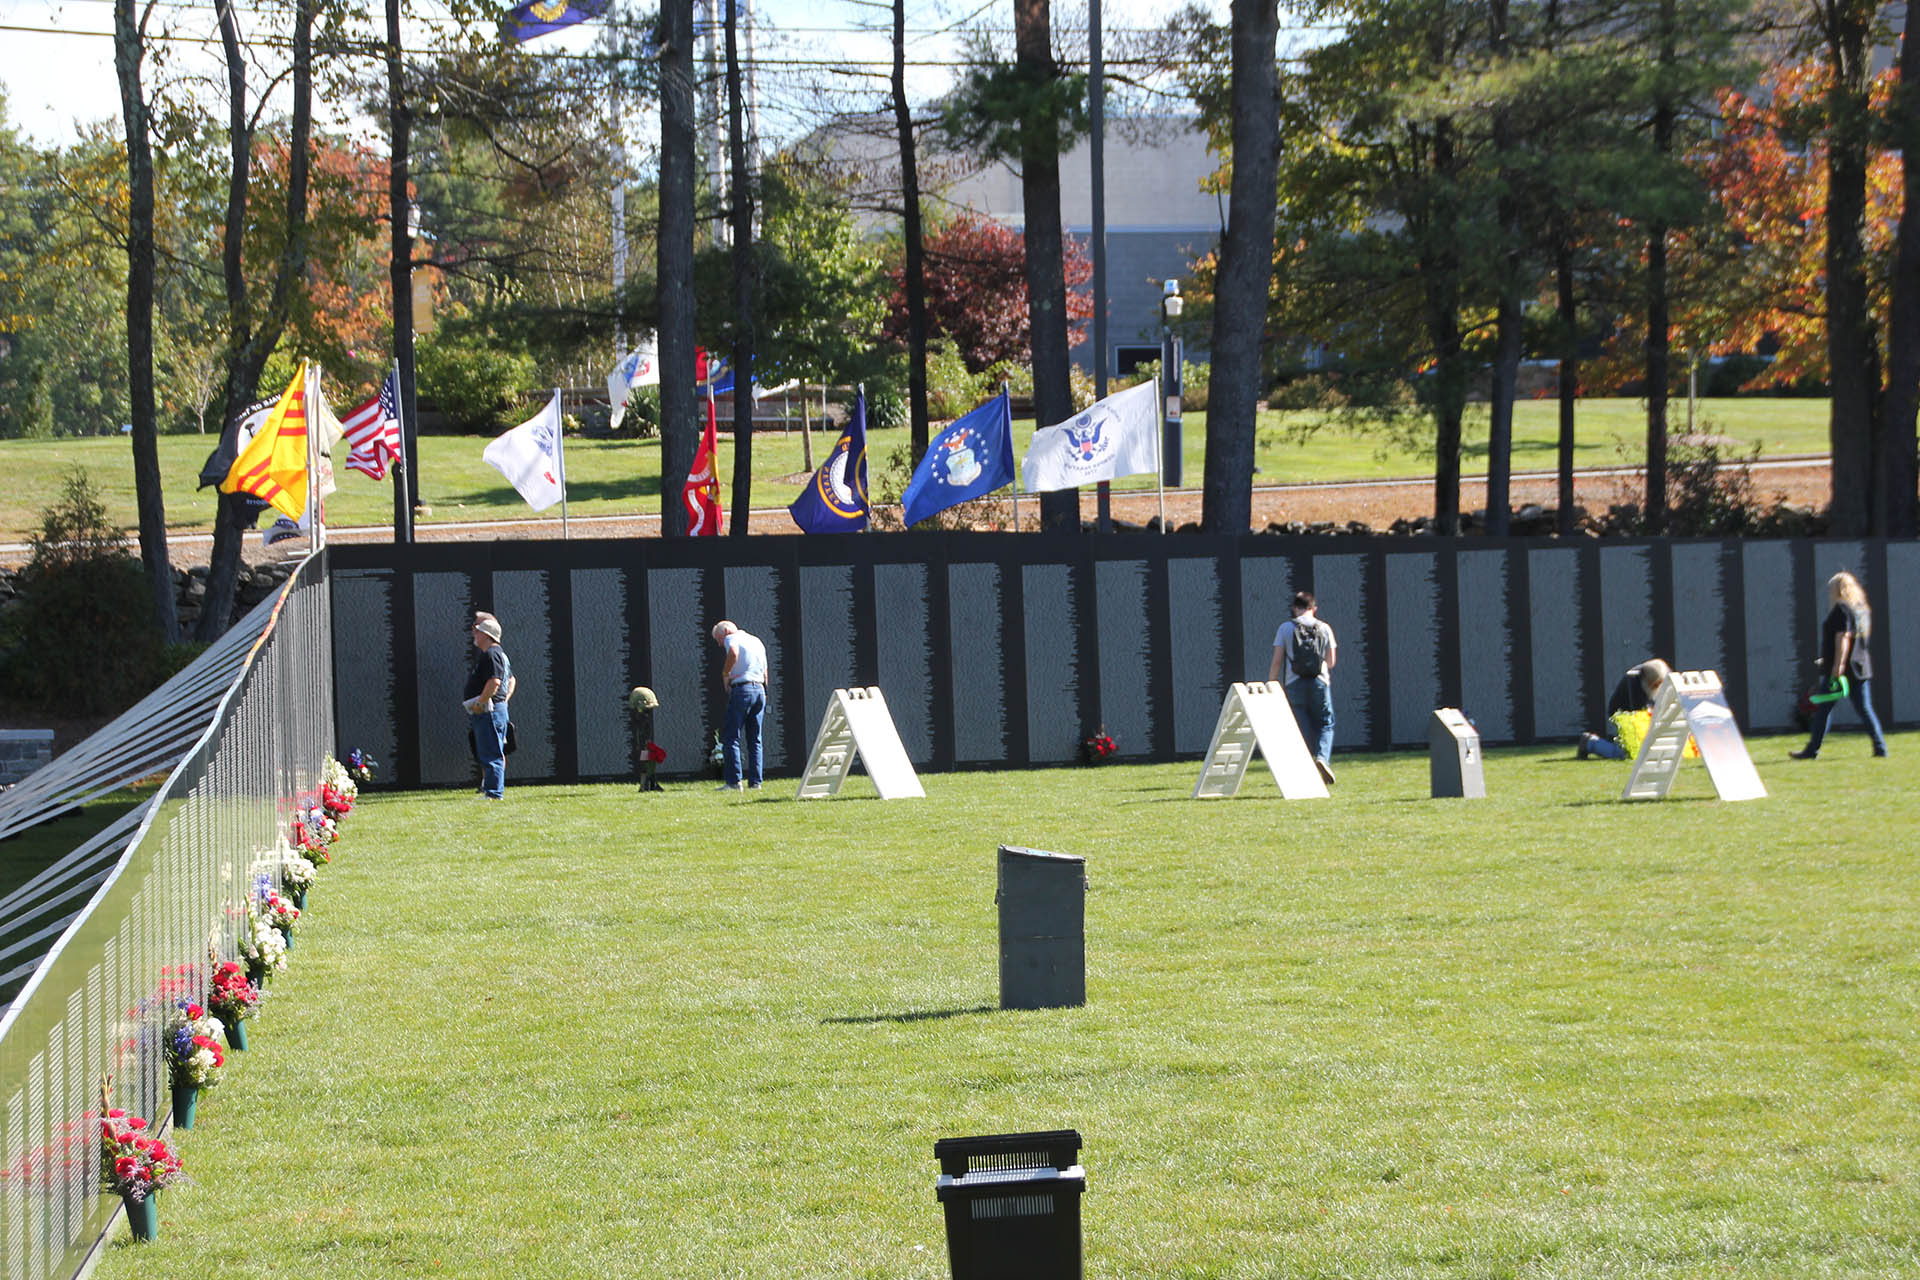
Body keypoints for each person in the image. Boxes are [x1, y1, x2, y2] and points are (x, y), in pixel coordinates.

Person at [1792, 570, 1889, 760]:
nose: (1829, 593)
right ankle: (1880, 748)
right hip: (1860, 667)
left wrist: (1837, 665)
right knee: (1864, 709)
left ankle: (1812, 751)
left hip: (1841, 670)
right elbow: (1858, 641)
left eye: (1831, 589)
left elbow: (1842, 638)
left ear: (1839, 590)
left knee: (1823, 710)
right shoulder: (1862, 610)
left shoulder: (1841, 610)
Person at [1267, 590, 1338, 784]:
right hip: (1320, 682)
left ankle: (1304, 767)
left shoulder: (1285, 628)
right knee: (1325, 723)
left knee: (1301, 725)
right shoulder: (1325, 628)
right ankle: (1322, 758)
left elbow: (1277, 661)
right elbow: (1331, 661)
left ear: (1295, 608)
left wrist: (1271, 684)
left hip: (1294, 682)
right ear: (1314, 608)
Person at [463, 611, 515, 799]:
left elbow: (494, 682)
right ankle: (491, 790)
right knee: (489, 750)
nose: (474, 634)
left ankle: (493, 793)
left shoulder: (492, 654)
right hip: (493, 708)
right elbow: (510, 681)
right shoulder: (494, 654)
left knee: (491, 752)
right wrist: (504, 700)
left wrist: (481, 702)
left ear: (486, 634)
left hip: (489, 710)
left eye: (477, 631)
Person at [711, 620, 768, 791]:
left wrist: (725, 674)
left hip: (742, 690)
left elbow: (733, 653)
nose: (720, 644)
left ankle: (734, 782)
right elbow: (765, 670)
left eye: (719, 639)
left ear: (727, 631)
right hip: (759, 690)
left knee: (731, 736)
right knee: (755, 739)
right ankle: (756, 782)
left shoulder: (732, 638)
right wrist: (763, 689)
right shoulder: (756, 641)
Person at [1577, 659, 1670, 760]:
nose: (1658, 687)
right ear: (1650, 682)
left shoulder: (1657, 676)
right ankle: (1590, 742)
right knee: (1627, 754)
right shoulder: (1634, 681)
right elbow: (1637, 717)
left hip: (1637, 715)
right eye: (1656, 684)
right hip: (1622, 715)